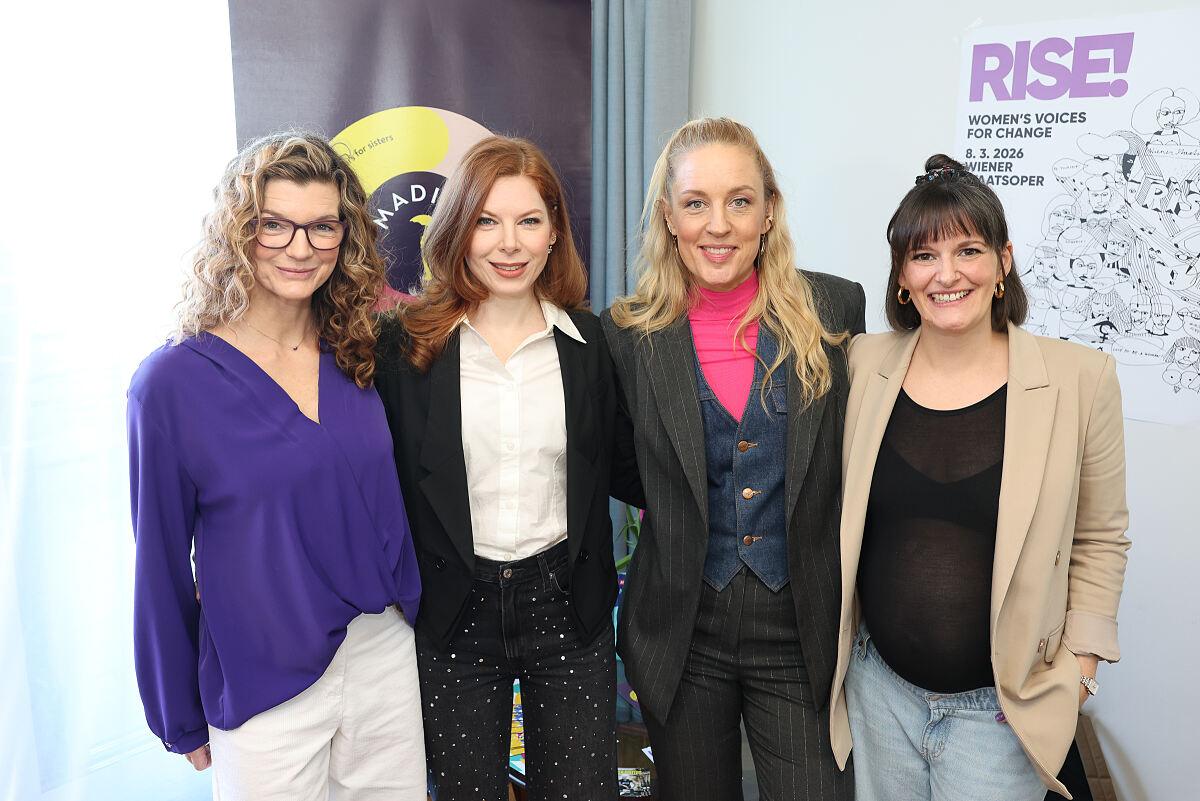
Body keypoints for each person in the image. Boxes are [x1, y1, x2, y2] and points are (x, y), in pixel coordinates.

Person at [126, 132, 424, 799]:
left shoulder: (359, 351)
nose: (300, 247)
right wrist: (180, 714)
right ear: (239, 232)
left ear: (344, 236)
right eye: (275, 225)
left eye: (322, 226)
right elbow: (161, 564)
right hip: (264, 675)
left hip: (383, 658)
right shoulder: (172, 384)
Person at [828, 155, 1131, 801]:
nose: (947, 273)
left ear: (1003, 260)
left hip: (1000, 711)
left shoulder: (1082, 378)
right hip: (878, 692)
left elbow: (1100, 536)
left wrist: (1078, 672)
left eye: (968, 249)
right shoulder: (861, 365)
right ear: (902, 277)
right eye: (923, 256)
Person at [602, 117, 865, 801]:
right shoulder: (627, 333)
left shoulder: (835, 306)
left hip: (801, 628)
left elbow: (855, 455)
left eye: (739, 201)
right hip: (683, 633)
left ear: (769, 211)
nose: (718, 225)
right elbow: (625, 464)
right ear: (669, 217)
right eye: (696, 203)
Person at [374, 135, 641, 800]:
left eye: (529, 221)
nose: (509, 244)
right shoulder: (403, 349)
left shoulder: (590, 344)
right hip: (455, 609)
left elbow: (629, 469)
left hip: (565, 605)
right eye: (488, 221)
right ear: (459, 231)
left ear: (555, 233)